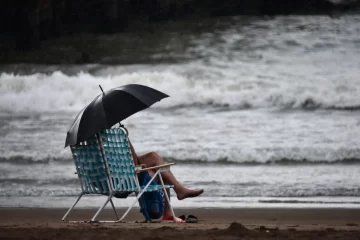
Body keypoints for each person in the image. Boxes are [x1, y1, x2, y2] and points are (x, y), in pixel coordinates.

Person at [124, 127, 204, 222]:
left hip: (116, 177)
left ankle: (177, 195)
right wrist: (126, 140)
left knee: (157, 163)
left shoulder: (104, 141)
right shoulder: (113, 138)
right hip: (124, 179)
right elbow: (134, 164)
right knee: (160, 168)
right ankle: (177, 195)